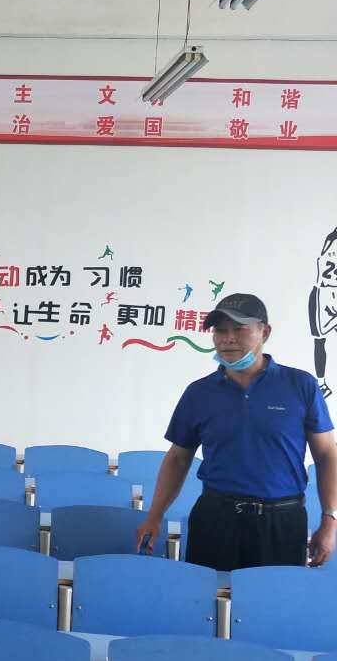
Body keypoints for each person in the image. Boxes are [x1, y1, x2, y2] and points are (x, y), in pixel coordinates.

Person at [136, 292, 337, 570]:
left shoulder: (300, 385)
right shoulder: (199, 393)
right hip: (216, 519)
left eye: (239, 329)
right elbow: (177, 458)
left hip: (282, 521)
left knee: (272, 596)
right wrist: (155, 514)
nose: (227, 338)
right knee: (208, 595)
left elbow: (326, 455)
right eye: (220, 330)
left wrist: (329, 519)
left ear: (265, 332)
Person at [308, 226, 337, 399]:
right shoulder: (330, 239)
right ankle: (321, 383)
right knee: (319, 340)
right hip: (323, 293)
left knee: (320, 341)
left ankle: (321, 383)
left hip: (324, 292)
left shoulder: (330, 240)